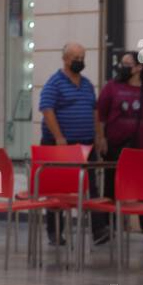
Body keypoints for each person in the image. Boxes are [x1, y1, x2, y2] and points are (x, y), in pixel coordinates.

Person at [95, 49, 143, 244]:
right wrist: (101, 138)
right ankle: (108, 226)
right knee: (111, 186)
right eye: (122, 64)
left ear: (139, 67)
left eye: (128, 64)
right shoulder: (112, 87)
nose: (123, 68)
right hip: (117, 147)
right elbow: (100, 114)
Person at [38, 42, 106, 246]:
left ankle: (99, 231)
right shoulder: (55, 82)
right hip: (60, 146)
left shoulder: (86, 84)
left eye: (82, 57)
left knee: (92, 188)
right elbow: (47, 110)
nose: (79, 61)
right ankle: (55, 231)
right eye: (76, 57)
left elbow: (95, 112)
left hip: (86, 145)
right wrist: (59, 137)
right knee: (58, 190)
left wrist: (99, 136)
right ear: (65, 59)